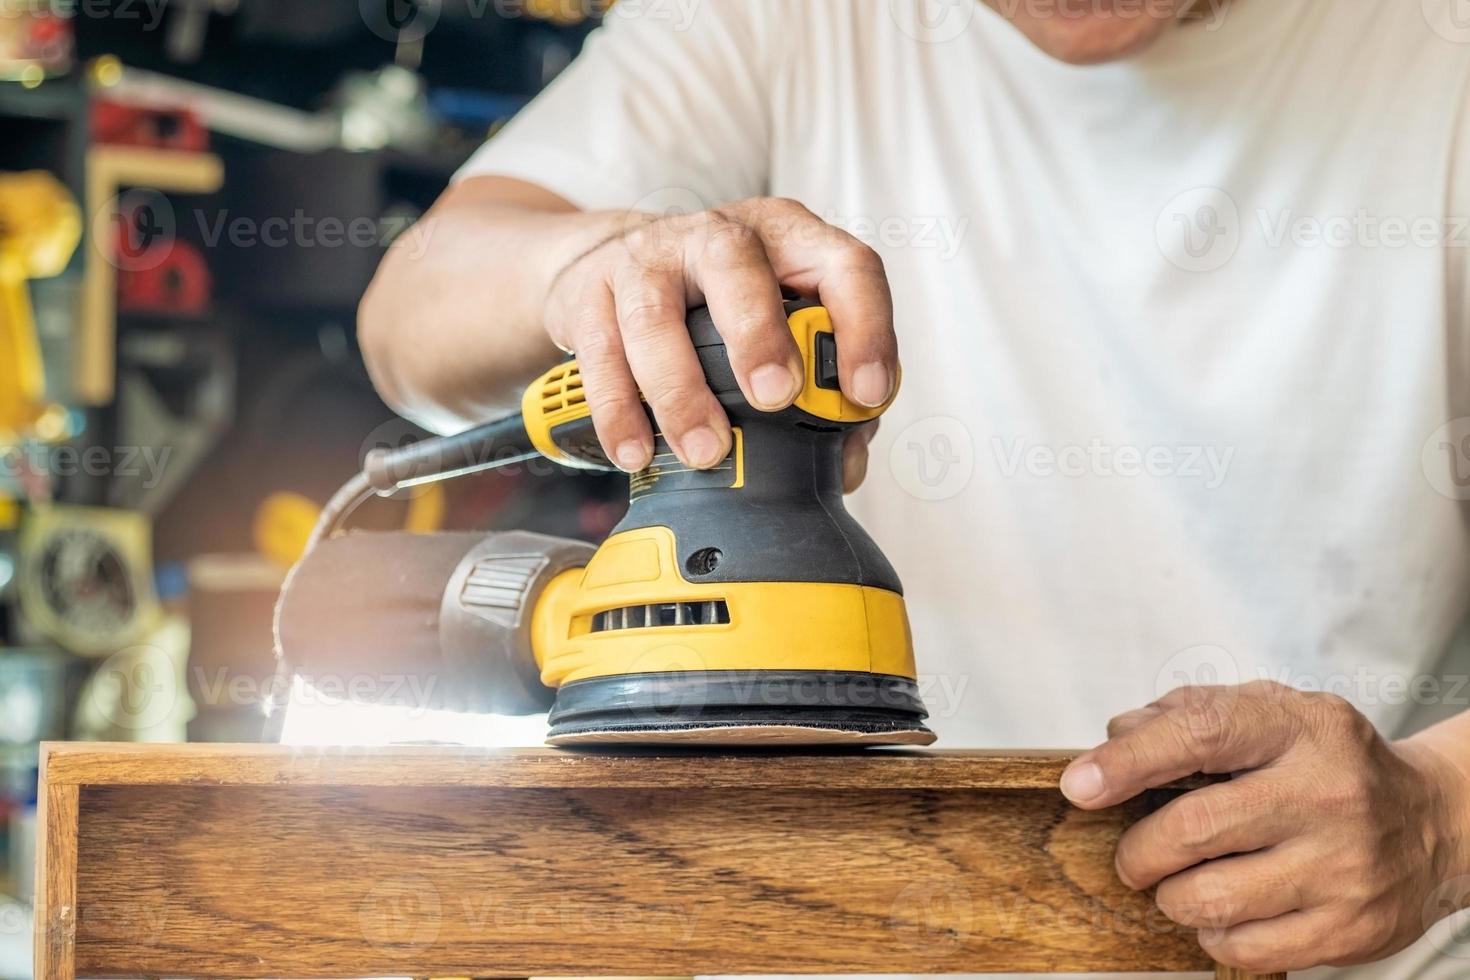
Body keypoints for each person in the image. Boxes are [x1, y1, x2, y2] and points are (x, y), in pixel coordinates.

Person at [358, 1, 1470, 976]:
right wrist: (601, 268)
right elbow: (408, 317)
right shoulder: (781, 18)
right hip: (819, 938)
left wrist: (1442, 814)